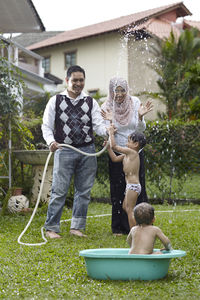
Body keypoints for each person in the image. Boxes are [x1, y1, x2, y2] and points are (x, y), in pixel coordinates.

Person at [42, 65, 108, 238]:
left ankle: (76, 228)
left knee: (84, 192)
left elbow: (99, 125)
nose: (78, 83)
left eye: (81, 80)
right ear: (67, 81)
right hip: (64, 150)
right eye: (75, 80)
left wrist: (109, 131)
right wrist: (51, 141)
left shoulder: (91, 102)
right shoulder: (55, 101)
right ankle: (51, 228)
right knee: (59, 190)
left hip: (88, 151)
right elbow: (46, 126)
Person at [101, 77, 153, 235]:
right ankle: (119, 227)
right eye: (116, 90)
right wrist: (109, 128)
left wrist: (140, 117)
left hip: (134, 152)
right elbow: (104, 129)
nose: (120, 93)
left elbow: (140, 130)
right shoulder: (107, 106)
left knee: (138, 190)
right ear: (111, 91)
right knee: (118, 191)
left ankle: (143, 223)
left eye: (123, 90)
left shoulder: (135, 102)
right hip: (118, 152)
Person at [107, 126, 146, 229]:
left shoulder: (132, 153)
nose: (126, 143)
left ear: (136, 144)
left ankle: (135, 234)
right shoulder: (126, 155)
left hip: (133, 186)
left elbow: (115, 147)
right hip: (130, 186)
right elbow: (114, 158)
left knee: (129, 210)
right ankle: (139, 228)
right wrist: (108, 148)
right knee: (125, 207)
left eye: (128, 141)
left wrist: (111, 133)